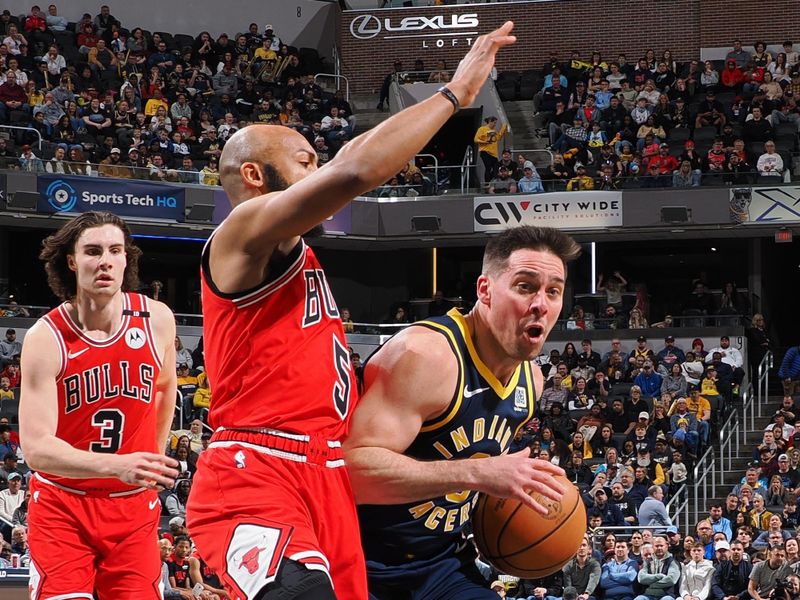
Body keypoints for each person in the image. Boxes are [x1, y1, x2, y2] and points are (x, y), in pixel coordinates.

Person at [186, 23, 519, 600]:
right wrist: (455, 95)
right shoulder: (239, 233)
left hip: (327, 477)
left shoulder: (300, 262)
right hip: (258, 468)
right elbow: (354, 171)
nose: (317, 170)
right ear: (254, 175)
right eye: (305, 159)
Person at [18, 211, 178, 599]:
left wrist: (152, 456)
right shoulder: (46, 337)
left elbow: (163, 387)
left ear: (127, 259)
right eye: (92, 251)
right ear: (72, 262)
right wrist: (118, 464)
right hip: (63, 506)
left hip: (131, 510)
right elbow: (36, 448)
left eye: (115, 250)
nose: (104, 260)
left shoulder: (156, 318)